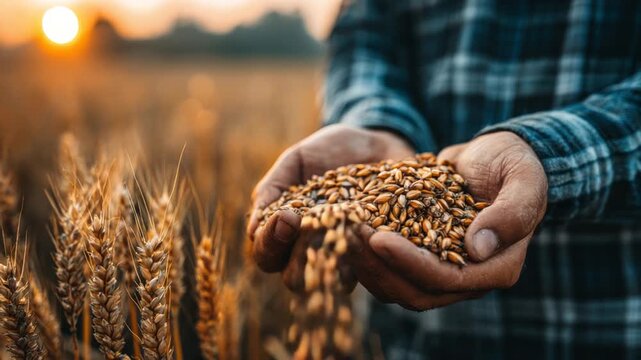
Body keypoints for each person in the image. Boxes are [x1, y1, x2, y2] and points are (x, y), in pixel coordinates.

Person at [248, 1, 641, 359]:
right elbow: (362, 35)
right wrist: (375, 121)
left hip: (604, 333)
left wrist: (550, 154)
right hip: (408, 343)